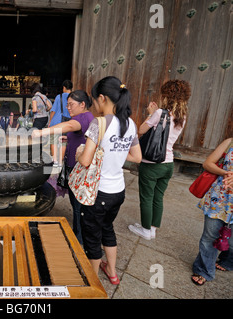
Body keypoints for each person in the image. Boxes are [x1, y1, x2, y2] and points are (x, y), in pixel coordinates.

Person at [77, 76, 142, 284]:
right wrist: (114, 156)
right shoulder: (130, 123)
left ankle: (92, 281)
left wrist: (79, 152)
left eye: (94, 101)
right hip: (118, 192)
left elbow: (86, 160)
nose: (94, 106)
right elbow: (137, 157)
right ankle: (112, 272)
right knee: (107, 228)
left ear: (102, 98)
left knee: (92, 236)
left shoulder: (100, 122)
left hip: (98, 193)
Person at [128, 80, 191, 240]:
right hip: (168, 163)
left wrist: (151, 112)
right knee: (158, 196)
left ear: (167, 96)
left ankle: (145, 230)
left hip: (152, 164)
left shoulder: (159, 113)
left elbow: (141, 130)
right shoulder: (182, 116)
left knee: (146, 197)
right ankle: (152, 228)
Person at [33, 90, 94, 244]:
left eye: (71, 104)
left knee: (79, 208)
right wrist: (68, 137)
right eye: (67, 105)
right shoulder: (83, 118)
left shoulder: (84, 117)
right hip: (75, 169)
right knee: (76, 206)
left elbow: (68, 125)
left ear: (82, 104)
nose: (68, 108)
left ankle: (79, 241)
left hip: (79, 170)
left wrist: (42, 132)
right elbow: (78, 133)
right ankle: (78, 235)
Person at [191, 137, 233, 286]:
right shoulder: (230, 142)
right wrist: (225, 173)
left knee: (231, 241)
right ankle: (204, 270)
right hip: (220, 200)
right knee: (210, 236)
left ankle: (228, 260)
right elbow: (208, 163)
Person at [49, 80, 73, 166]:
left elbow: (53, 110)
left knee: (54, 140)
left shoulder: (59, 97)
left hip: (56, 121)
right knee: (63, 141)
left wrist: (50, 121)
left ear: (64, 88)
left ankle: (55, 160)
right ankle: (60, 161)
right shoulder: (73, 97)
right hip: (67, 122)